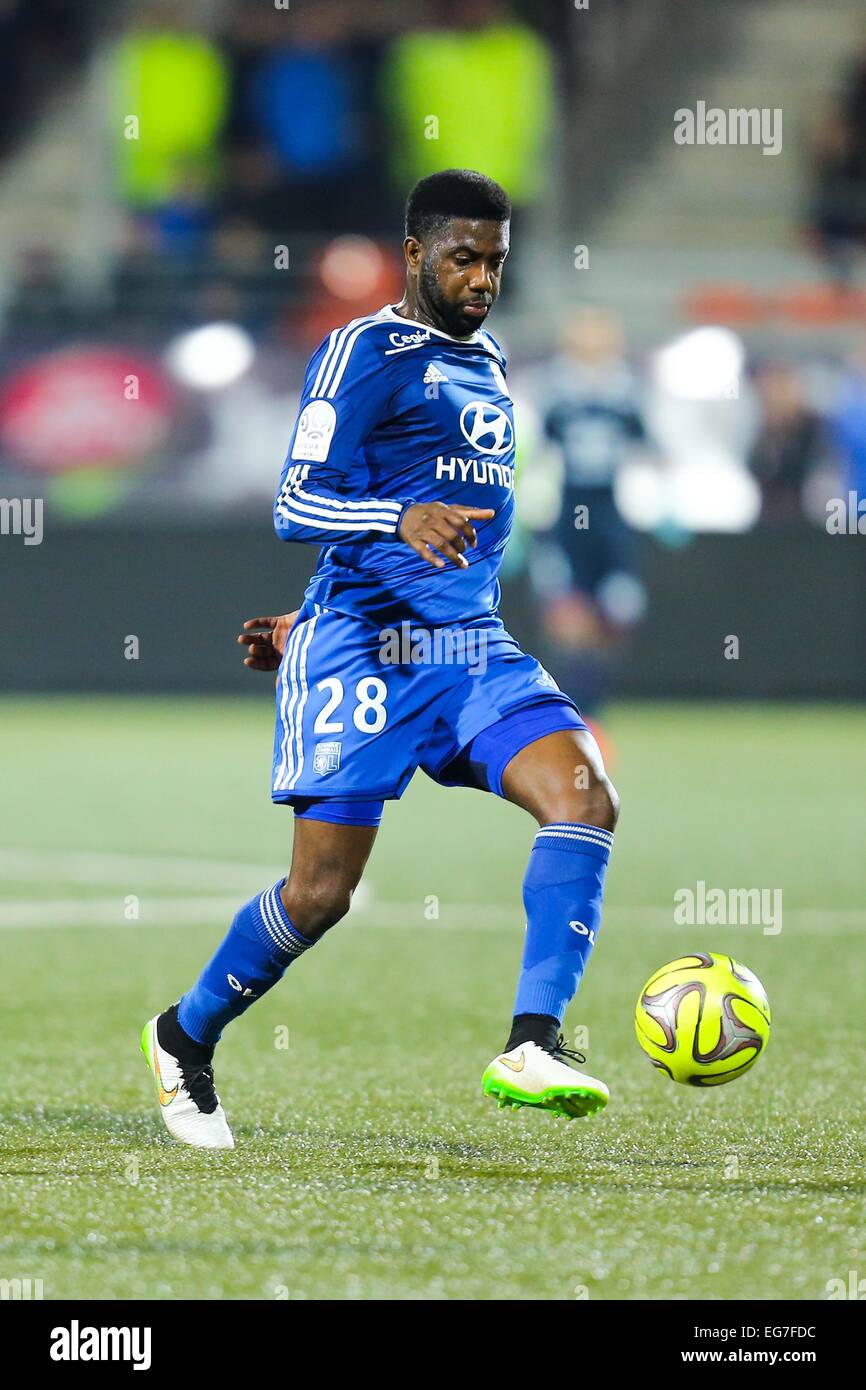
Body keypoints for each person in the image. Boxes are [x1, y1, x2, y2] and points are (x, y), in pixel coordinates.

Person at [140, 169, 620, 1149]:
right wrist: (356, 570)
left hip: (468, 651)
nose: (482, 277)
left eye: (495, 259)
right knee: (320, 894)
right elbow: (295, 501)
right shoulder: (362, 351)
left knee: (584, 796)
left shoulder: (488, 360)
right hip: (362, 655)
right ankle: (182, 1035)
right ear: (414, 254)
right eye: (462, 257)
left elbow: (462, 541)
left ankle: (533, 1040)